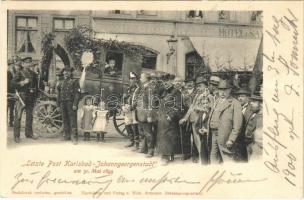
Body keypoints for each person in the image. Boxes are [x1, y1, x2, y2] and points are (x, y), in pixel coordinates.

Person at [208, 79, 243, 164]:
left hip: (225, 136)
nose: (222, 93)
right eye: (220, 90)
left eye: (225, 90)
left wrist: (231, 139)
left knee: (227, 158)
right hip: (213, 133)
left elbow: (238, 124)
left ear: (230, 90)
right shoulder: (216, 101)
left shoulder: (235, 103)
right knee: (213, 156)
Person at [179, 75, 208, 162]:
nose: (198, 88)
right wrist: (185, 118)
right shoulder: (197, 96)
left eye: (200, 86)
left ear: (205, 86)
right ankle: (200, 158)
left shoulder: (208, 96)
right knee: (196, 141)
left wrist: (197, 108)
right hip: (193, 122)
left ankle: (203, 160)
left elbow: (207, 110)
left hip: (201, 123)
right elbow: (191, 108)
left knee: (201, 143)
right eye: (197, 86)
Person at [157, 80, 184, 165]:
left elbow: (178, 106)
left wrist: (171, 116)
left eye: (167, 82)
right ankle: (168, 155)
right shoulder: (165, 91)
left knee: (168, 136)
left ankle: (166, 157)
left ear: (172, 83)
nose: (165, 84)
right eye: (164, 83)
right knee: (163, 136)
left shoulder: (177, 92)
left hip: (169, 118)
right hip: (162, 118)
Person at [12, 56, 39, 143]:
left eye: (29, 62)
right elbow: (12, 84)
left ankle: (29, 133)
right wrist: (23, 82)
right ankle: (16, 136)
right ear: (23, 64)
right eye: (26, 63)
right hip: (21, 97)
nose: (28, 64)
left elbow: (36, 87)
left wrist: (35, 95)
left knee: (30, 116)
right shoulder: (19, 73)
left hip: (31, 97)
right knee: (18, 116)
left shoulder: (34, 74)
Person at [134, 72, 158, 157]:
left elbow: (151, 103)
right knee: (142, 132)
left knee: (148, 133)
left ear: (146, 79)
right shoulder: (143, 87)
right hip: (140, 114)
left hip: (145, 115)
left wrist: (149, 115)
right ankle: (144, 148)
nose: (140, 78)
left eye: (141, 77)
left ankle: (151, 151)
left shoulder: (149, 88)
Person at [57, 67, 81, 145]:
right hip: (62, 103)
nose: (66, 73)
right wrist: (58, 105)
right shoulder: (60, 82)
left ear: (70, 73)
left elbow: (77, 94)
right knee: (65, 119)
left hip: (71, 103)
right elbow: (58, 95)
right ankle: (66, 136)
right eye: (65, 71)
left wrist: (75, 104)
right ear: (63, 73)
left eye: (68, 71)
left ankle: (74, 137)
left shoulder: (75, 81)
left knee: (72, 120)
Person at [192, 91, 211, 165]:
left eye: (206, 103)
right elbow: (196, 125)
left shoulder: (211, 113)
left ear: (209, 104)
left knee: (210, 156)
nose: (205, 105)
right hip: (202, 137)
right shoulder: (201, 113)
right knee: (203, 155)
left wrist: (207, 130)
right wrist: (198, 130)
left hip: (210, 138)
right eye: (203, 104)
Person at [123, 72, 140, 150]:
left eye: (133, 79)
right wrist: (123, 105)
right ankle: (131, 141)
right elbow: (125, 98)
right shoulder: (128, 88)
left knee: (134, 126)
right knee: (127, 125)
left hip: (134, 109)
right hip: (127, 108)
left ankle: (136, 144)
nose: (132, 80)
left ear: (136, 79)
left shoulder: (138, 88)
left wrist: (133, 106)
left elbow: (138, 99)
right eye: (131, 79)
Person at [245, 90, 263, 161]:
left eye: (254, 102)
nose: (251, 103)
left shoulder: (261, 117)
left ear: (261, 104)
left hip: (255, 146)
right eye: (251, 101)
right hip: (248, 145)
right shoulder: (253, 113)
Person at [7, 58, 15, 127]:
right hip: (8, 91)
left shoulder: (12, 71)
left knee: (12, 108)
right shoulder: (7, 72)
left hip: (12, 91)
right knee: (6, 108)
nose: (12, 66)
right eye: (11, 64)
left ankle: (11, 122)